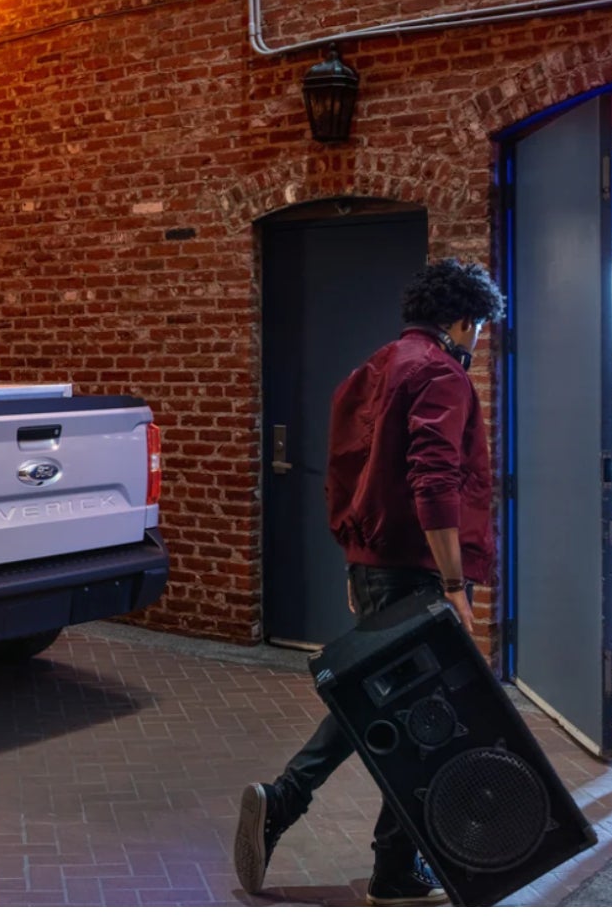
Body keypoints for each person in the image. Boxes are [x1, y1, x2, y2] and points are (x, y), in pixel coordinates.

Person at [236, 257, 502, 905]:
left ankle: (359, 846)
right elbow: (433, 481)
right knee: (419, 717)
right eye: (481, 330)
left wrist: (356, 559)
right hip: (414, 570)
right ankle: (364, 853)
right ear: (463, 321)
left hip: (376, 564)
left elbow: (345, 471)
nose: (480, 342)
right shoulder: (440, 374)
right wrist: (452, 585)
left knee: (385, 705)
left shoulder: (373, 369)